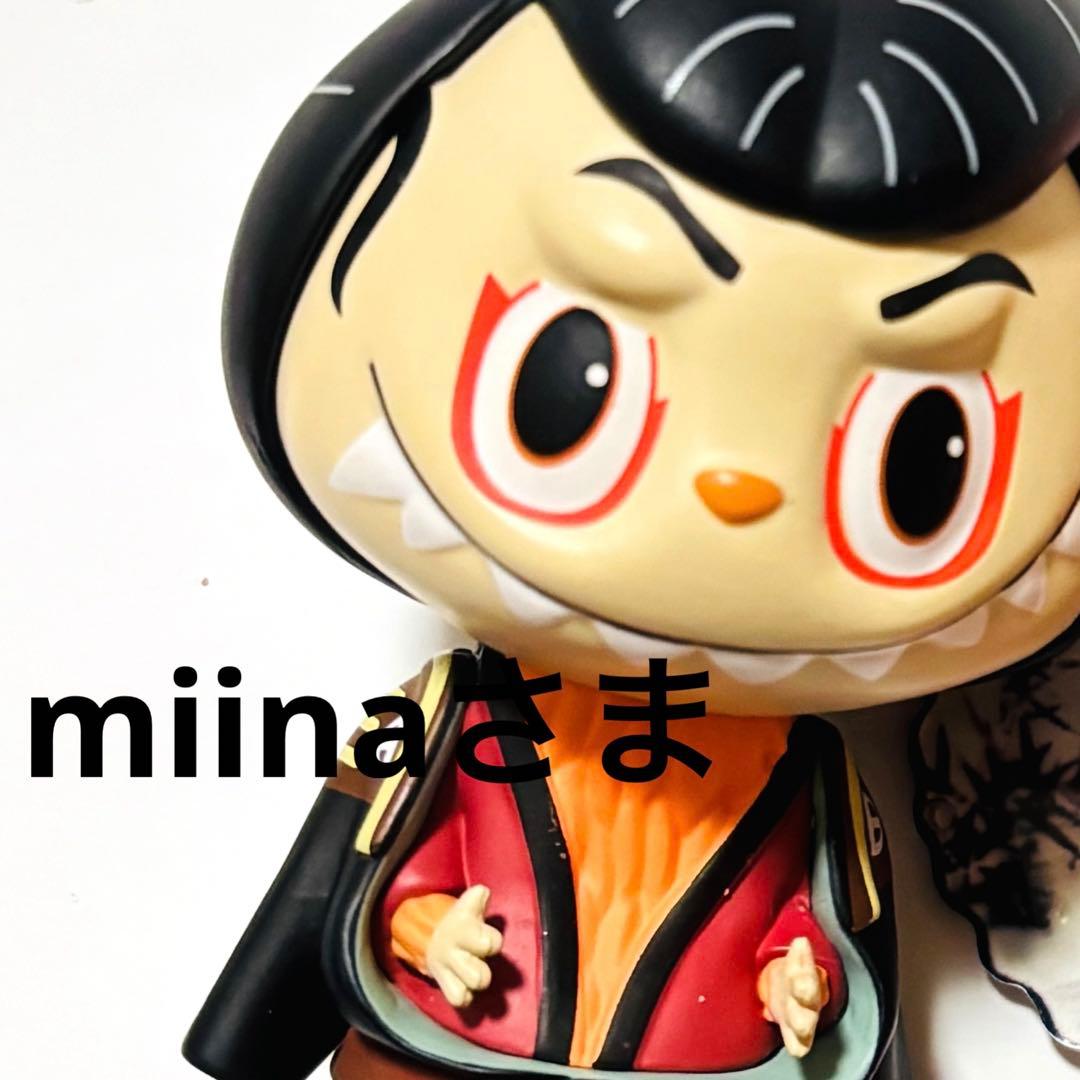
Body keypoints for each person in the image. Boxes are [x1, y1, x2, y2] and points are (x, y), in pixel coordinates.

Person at [183, 2, 1080, 1078]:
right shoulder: (438, 715)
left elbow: (827, 933)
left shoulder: (810, 776)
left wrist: (799, 974)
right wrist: (377, 955)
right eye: (567, 381)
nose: (734, 485)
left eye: (923, 456)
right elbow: (342, 875)